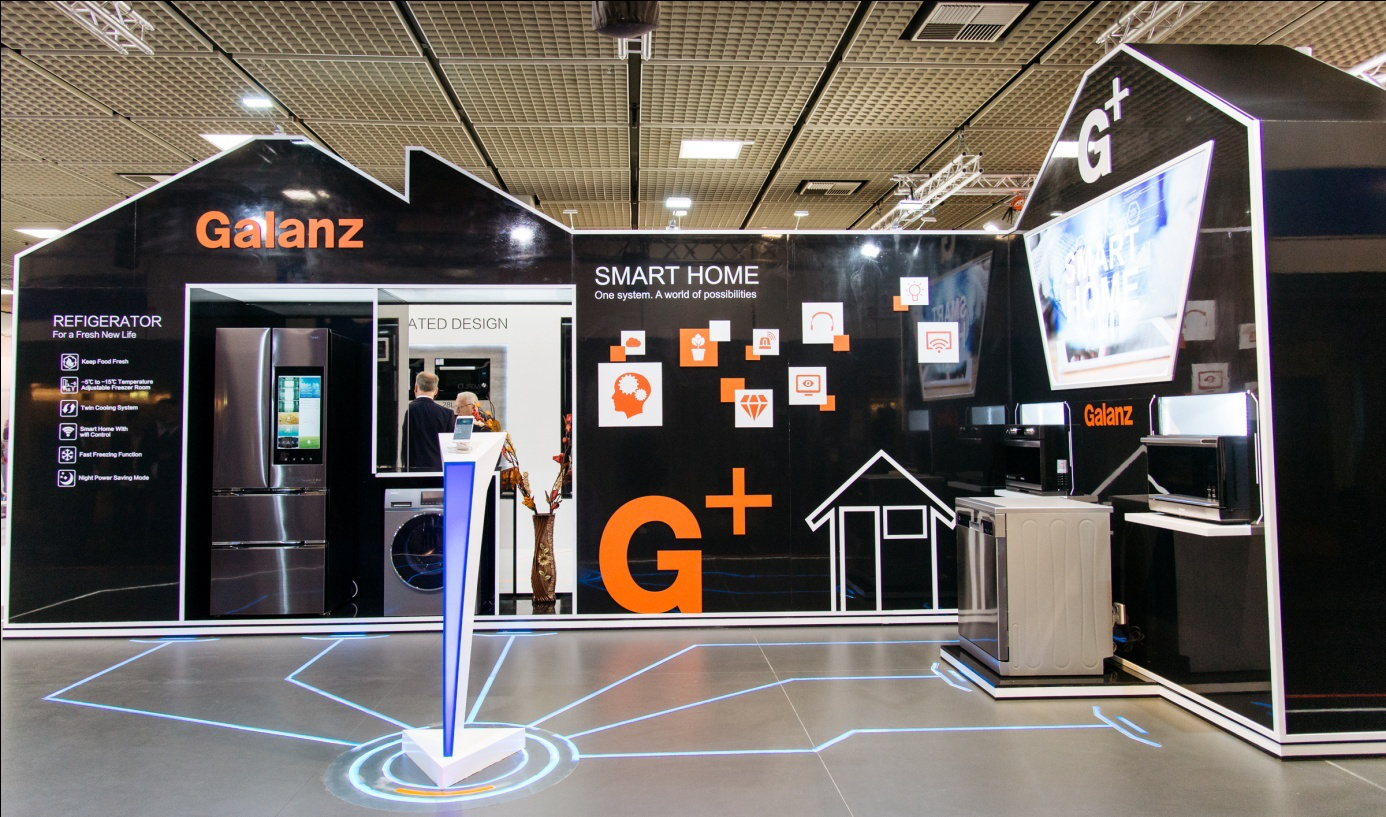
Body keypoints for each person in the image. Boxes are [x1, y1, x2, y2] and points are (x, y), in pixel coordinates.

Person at [401, 371, 454, 471]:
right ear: (436, 390)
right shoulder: (447, 414)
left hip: (411, 469)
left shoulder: (407, 410)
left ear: (415, 388)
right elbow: (449, 447)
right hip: (437, 469)